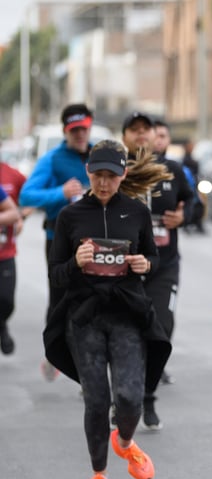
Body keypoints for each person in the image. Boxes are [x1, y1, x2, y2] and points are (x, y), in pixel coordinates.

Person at [43, 140, 172, 479]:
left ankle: (126, 442)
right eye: (98, 175)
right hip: (84, 317)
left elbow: (153, 257)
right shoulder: (69, 216)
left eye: (111, 177)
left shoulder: (136, 212)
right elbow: (55, 274)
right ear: (88, 172)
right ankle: (98, 476)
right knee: (97, 401)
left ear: (123, 175)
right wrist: (75, 262)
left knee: (130, 398)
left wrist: (145, 265)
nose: (103, 183)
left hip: (126, 314)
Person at [122, 111, 194, 428]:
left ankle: (148, 397)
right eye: (133, 130)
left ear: (155, 135)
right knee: (125, 334)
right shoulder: (115, 170)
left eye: (145, 130)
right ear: (124, 136)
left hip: (164, 266)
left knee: (160, 327)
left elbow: (194, 203)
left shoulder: (173, 170)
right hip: (123, 270)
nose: (140, 135)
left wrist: (185, 216)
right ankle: (124, 397)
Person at [20, 103, 95, 380]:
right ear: (66, 131)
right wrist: (60, 193)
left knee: (94, 299)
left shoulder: (99, 154)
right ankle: (54, 352)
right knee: (60, 302)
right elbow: (27, 196)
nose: (79, 135)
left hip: (95, 241)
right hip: (59, 241)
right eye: (74, 131)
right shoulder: (52, 159)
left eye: (83, 130)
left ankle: (88, 367)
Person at [0, 158, 30, 355]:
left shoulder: (12, 174)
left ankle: (1, 324)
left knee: (6, 301)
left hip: (5, 251)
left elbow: (29, 200)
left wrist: (21, 217)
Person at [155, 121, 206, 234]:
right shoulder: (134, 169)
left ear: (169, 139)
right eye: (154, 135)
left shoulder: (176, 167)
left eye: (162, 136)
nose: (158, 140)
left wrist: (183, 216)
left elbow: (188, 198)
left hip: (168, 247)